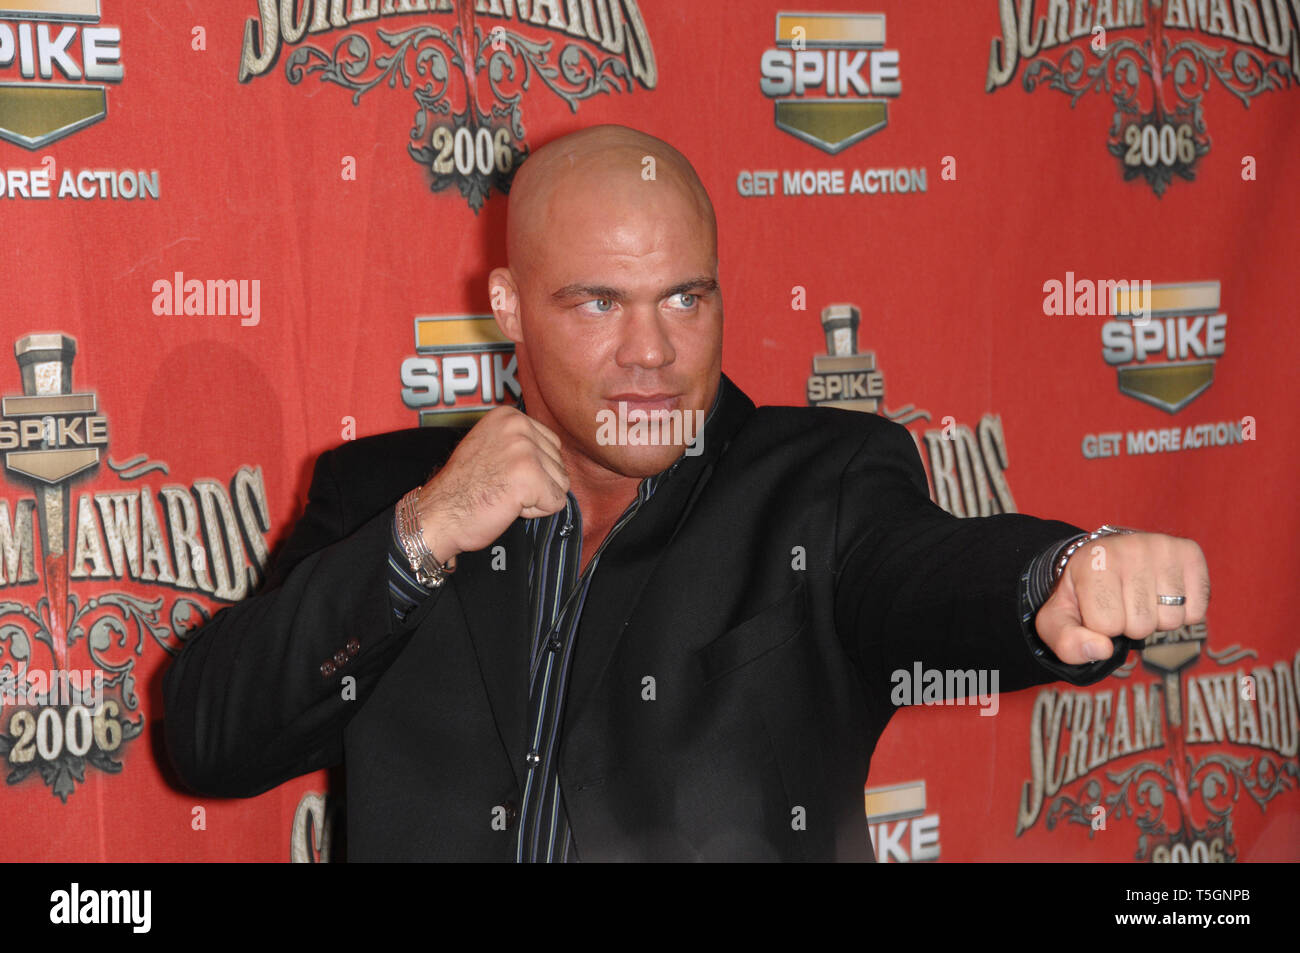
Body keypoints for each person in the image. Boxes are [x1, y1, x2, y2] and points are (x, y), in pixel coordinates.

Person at [162, 124, 1210, 862]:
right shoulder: (381, 491)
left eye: (685, 297)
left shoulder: (818, 484)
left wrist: (1053, 573)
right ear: (509, 308)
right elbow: (210, 739)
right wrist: (424, 532)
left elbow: (923, 569)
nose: (652, 351)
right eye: (596, 303)